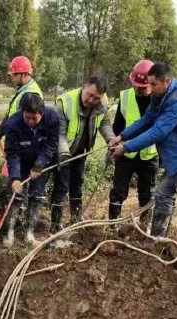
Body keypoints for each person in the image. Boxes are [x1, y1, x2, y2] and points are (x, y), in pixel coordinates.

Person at [109, 62, 177, 238]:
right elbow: (147, 119)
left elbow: (158, 131)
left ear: (167, 81)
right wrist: (122, 136)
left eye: (154, 84)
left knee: (163, 193)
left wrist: (126, 148)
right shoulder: (160, 94)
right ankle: (159, 236)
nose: (151, 88)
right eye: (150, 83)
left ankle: (157, 239)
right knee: (165, 193)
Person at [51, 75, 115, 232]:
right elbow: (58, 134)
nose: (92, 100)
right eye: (90, 95)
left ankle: (76, 217)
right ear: (83, 86)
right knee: (61, 186)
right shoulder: (65, 103)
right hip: (63, 152)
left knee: (77, 184)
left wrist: (111, 139)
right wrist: (64, 154)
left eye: (96, 98)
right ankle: (56, 224)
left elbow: (104, 122)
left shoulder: (102, 103)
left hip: (81, 152)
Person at [3, 93, 59, 247]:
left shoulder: (52, 119)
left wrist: (40, 164)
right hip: (20, 162)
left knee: (37, 196)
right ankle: (10, 233)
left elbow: (51, 145)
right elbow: (12, 153)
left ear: (42, 113)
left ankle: (29, 233)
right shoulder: (13, 124)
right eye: (27, 117)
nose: (30, 122)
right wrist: (14, 178)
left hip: (41, 162)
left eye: (34, 118)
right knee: (15, 196)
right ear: (22, 112)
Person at [109, 59, 159, 226]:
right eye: (136, 85)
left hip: (148, 155)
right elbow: (118, 126)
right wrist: (115, 143)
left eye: (143, 87)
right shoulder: (125, 96)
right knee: (118, 191)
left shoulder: (159, 99)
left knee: (147, 193)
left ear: (152, 83)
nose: (139, 89)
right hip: (126, 153)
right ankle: (112, 225)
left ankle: (145, 227)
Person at [0, 56, 43, 145]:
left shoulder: (31, 95)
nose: (11, 76)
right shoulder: (22, 91)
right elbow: (12, 116)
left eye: (15, 74)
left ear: (25, 74)